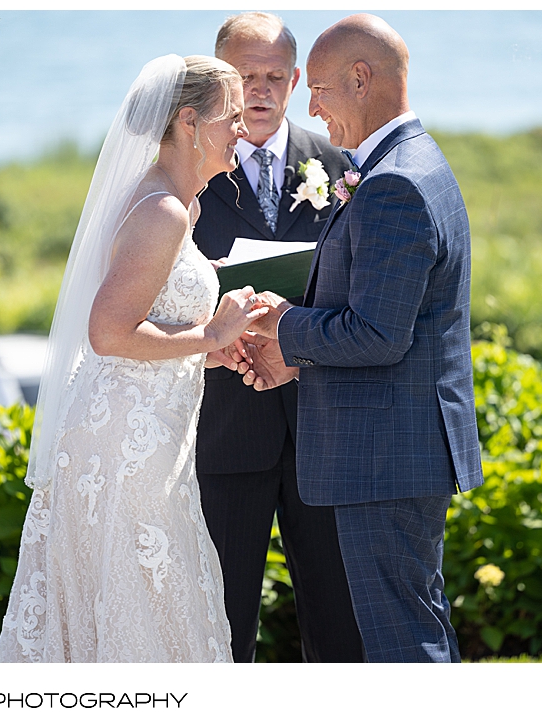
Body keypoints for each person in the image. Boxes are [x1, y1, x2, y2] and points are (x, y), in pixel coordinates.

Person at [0, 55, 269, 663]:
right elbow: (110, 334)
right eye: (230, 117)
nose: (241, 131)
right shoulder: (162, 211)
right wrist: (208, 337)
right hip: (124, 448)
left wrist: (210, 351)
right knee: (143, 602)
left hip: (151, 434)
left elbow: (153, 320)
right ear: (190, 123)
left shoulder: (178, 205)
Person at [239, 15, 485, 663]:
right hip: (396, 449)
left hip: (383, 458)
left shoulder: (393, 184)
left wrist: (282, 325)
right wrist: (300, 353)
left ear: (361, 78)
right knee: (412, 625)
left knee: (403, 641)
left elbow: (377, 334)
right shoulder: (412, 162)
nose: (310, 108)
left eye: (318, 89)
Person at [191, 12, 362, 663]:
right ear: (219, 80)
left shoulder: (339, 166)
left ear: (294, 81)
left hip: (324, 426)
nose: (258, 91)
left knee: (338, 623)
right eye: (243, 76)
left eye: (271, 77)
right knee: (222, 625)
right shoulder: (189, 170)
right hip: (224, 428)